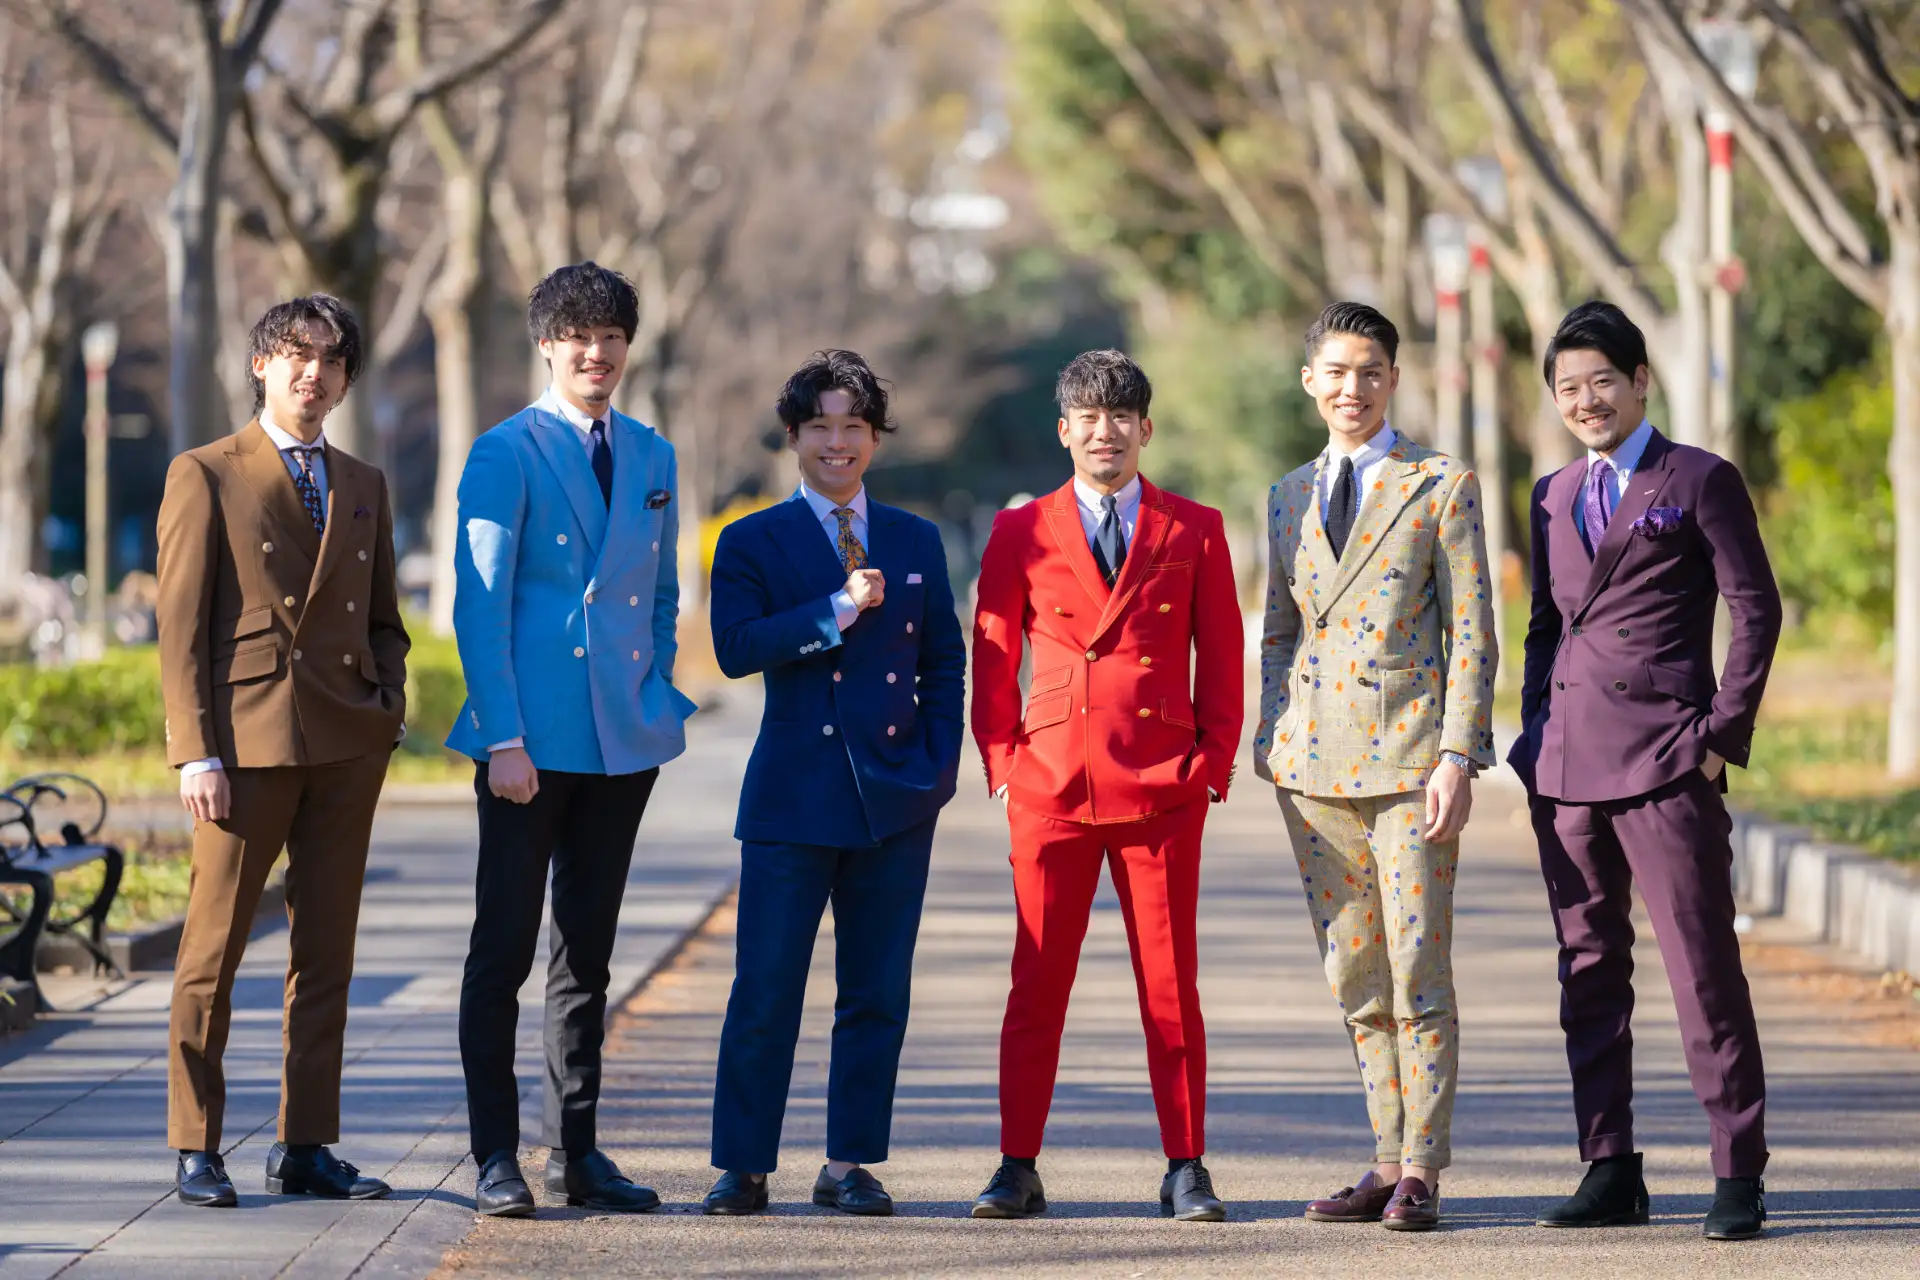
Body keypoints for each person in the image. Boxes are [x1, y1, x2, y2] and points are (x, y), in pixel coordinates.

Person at [1510, 301, 1781, 1241]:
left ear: (1639, 382)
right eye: (1568, 387)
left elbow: (1756, 609)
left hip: (1668, 761)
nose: (1586, 401)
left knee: (1703, 972)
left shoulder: (1698, 478)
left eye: (1601, 382)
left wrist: (1720, 734)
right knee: (1587, 975)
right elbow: (1545, 627)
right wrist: (1533, 732)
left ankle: (1738, 1171)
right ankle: (1610, 1168)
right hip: (1566, 769)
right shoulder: (1550, 493)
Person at [446, 262, 697, 1218]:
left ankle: (577, 1153)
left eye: (612, 336)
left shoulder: (653, 454)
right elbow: (480, 606)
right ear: (548, 344)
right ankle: (495, 1157)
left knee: (587, 955)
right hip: (529, 740)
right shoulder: (504, 451)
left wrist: (654, 688)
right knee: (503, 951)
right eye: (579, 336)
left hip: (621, 739)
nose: (597, 352)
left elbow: (661, 591)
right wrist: (502, 737)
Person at [968, 349, 1243, 1222]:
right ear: (1064, 430)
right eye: (1088, 417)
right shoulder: (1020, 530)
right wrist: (1002, 765)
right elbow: (993, 656)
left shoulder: (1194, 528)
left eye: (1121, 416)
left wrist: (1211, 765)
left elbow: (1222, 653)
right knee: (1035, 985)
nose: (1105, 432)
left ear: (1145, 428)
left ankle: (1187, 1163)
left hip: (1162, 788)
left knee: (1171, 987)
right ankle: (1016, 1162)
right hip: (1050, 786)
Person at [699, 350, 964, 1218]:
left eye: (854, 426)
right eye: (820, 426)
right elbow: (735, 649)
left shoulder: (916, 538)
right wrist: (838, 610)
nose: (837, 442)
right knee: (766, 989)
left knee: (876, 992)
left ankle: (849, 1163)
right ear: (793, 436)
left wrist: (937, 767)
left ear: (876, 438)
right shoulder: (751, 539)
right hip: (791, 795)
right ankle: (743, 1165)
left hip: (896, 798)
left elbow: (944, 662)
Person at [157, 294, 408, 1207]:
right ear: (261, 363)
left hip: (346, 743)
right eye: (297, 354)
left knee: (327, 954)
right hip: (243, 746)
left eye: (332, 361)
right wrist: (195, 752)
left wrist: (387, 709)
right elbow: (179, 629)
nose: (314, 373)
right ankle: (196, 1144)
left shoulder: (364, 480)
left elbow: (384, 618)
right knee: (212, 949)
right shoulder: (206, 472)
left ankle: (305, 1143)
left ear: (345, 380)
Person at [1252, 301, 1498, 1232]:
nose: (1351, 388)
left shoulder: (1439, 482)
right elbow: (1280, 630)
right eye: (1336, 372)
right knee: (1354, 973)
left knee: (1417, 964)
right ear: (1309, 382)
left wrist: (1458, 755)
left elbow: (1473, 632)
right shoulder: (1287, 494)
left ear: (1392, 379)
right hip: (1312, 772)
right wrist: (1272, 732)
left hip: (1408, 765)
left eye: (1370, 371)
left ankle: (1423, 1169)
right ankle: (1384, 1157)